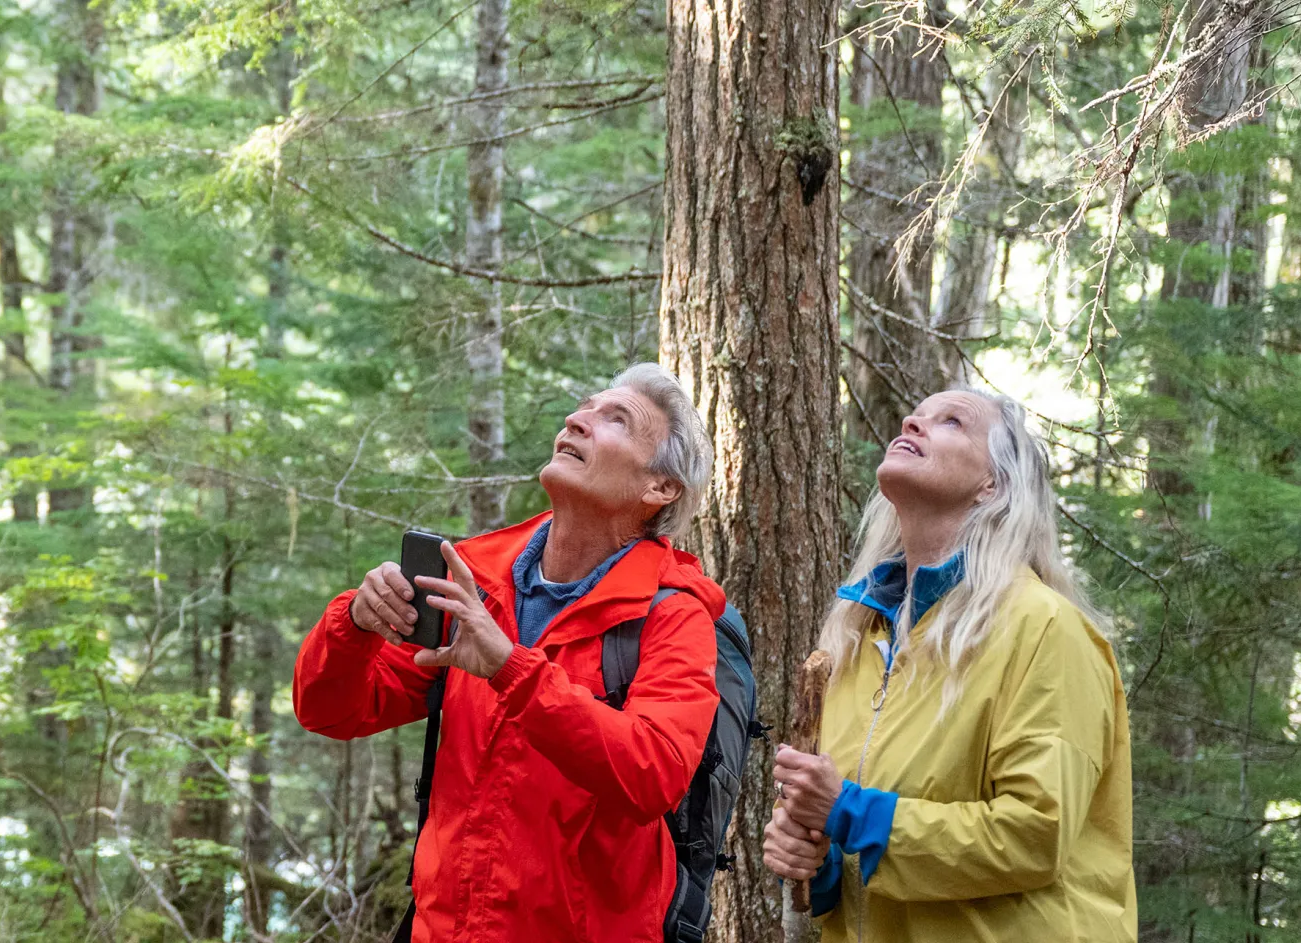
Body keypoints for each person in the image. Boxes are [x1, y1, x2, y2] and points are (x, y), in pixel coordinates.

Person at [292, 364, 726, 942]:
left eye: (614, 419)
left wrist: (509, 669)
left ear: (659, 488)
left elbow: (654, 774)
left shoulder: (671, 613)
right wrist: (354, 623)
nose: (577, 419)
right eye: (585, 408)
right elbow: (330, 710)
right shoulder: (476, 580)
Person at [763, 388, 1135, 942]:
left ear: (994, 485)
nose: (913, 420)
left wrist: (849, 812)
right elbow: (866, 846)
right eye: (916, 414)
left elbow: (1035, 834)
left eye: (952, 421)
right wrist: (821, 867)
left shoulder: (1043, 627)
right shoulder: (859, 636)